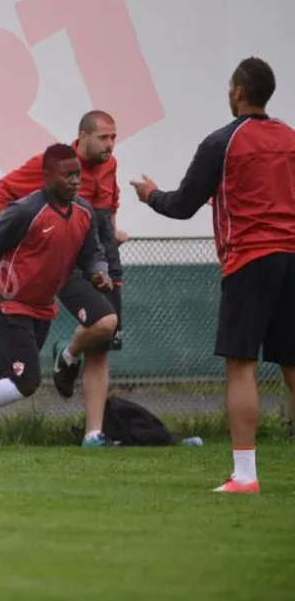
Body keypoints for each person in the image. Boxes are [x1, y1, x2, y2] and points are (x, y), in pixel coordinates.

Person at [131, 57, 295, 493]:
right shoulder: (289, 137)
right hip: (292, 256)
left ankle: (245, 475)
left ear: (238, 91)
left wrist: (150, 195)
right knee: (293, 366)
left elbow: (181, 205)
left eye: (229, 86)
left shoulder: (222, 142)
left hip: (250, 260)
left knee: (241, 366)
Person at [0, 143, 112, 450]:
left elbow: (93, 253)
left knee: (2, 371)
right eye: (67, 175)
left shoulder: (84, 212)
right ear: (47, 176)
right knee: (27, 381)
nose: (75, 181)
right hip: (11, 305)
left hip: (43, 307)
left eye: (78, 174)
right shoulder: (25, 211)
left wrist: (98, 271)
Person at [0, 111, 126, 446]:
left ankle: (93, 434)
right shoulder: (52, 165)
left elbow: (109, 206)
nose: (110, 144)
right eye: (103, 138)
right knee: (105, 322)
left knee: (101, 348)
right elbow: (1, 193)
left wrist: (112, 234)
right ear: (82, 136)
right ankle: (66, 355)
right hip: (68, 267)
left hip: (105, 264)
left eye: (113, 138)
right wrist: (22, 240)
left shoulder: (110, 166)